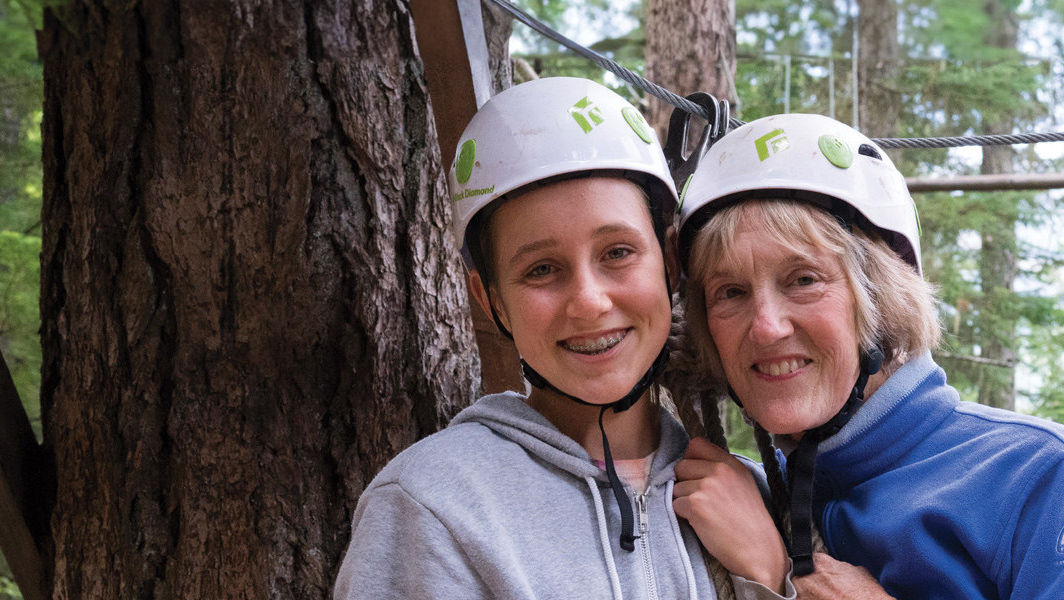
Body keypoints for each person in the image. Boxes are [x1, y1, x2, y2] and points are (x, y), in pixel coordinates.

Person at [674, 113, 1064, 599]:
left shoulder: (1044, 481)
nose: (765, 326)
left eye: (803, 280)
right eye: (730, 292)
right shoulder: (739, 498)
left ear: (883, 294)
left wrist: (778, 570)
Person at [333, 77, 789, 600]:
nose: (589, 301)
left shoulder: (752, 497)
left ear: (669, 260)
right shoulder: (434, 509)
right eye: (542, 269)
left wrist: (770, 574)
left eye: (617, 251)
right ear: (492, 300)